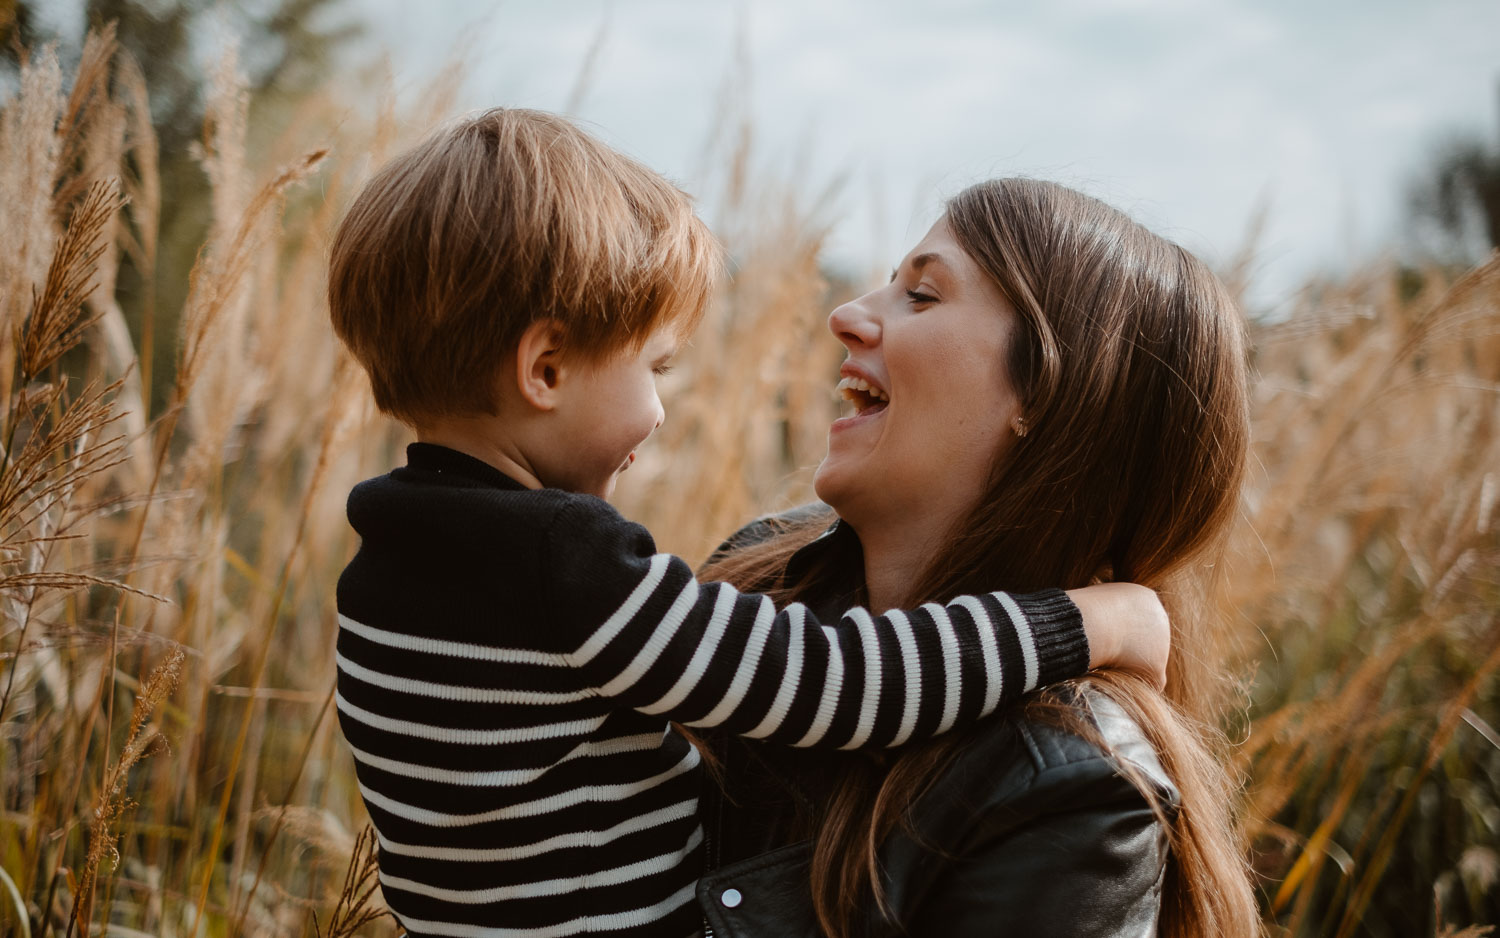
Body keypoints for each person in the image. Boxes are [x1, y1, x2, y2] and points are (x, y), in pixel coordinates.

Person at [325, 110, 1173, 938]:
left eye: (919, 293)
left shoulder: (384, 573)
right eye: (654, 367)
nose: (659, 410)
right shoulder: (565, 565)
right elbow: (847, 685)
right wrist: (1094, 619)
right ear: (544, 369)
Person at [696, 178, 1261, 937]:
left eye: (922, 296)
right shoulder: (756, 573)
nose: (847, 316)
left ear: (1047, 394)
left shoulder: (1070, 786)